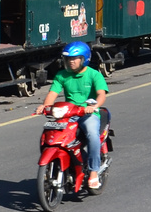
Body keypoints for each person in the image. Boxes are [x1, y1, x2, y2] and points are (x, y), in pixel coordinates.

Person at [36, 41, 109, 189]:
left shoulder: (94, 75)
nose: (71, 61)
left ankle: (94, 171)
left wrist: (94, 106)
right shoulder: (62, 75)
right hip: (68, 113)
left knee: (92, 135)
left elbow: (101, 94)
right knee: (51, 134)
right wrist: (45, 106)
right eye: (68, 59)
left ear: (84, 59)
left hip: (88, 113)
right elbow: (52, 94)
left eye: (75, 58)